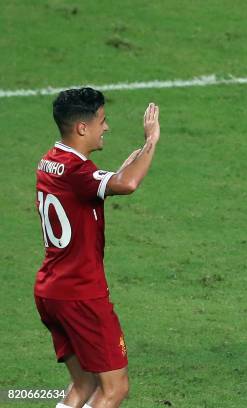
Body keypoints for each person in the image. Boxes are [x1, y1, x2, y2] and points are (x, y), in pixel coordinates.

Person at [35, 87, 160, 408]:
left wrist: (133, 157)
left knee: (84, 384)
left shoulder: (50, 161)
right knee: (114, 389)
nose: (106, 127)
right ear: (81, 127)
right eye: (102, 121)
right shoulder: (79, 172)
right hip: (81, 295)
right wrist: (152, 142)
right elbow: (127, 183)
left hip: (51, 290)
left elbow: (109, 179)